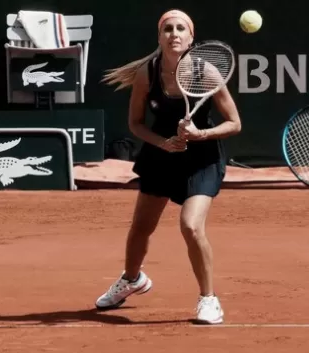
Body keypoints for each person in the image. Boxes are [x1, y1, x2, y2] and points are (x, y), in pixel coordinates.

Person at [96, 9, 242, 324]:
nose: (174, 34)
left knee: (190, 225)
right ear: (160, 37)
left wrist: (200, 134)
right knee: (141, 228)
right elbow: (135, 124)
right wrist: (161, 142)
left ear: (191, 38)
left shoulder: (208, 73)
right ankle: (132, 279)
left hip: (201, 159)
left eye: (180, 29)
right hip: (161, 157)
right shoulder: (147, 74)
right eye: (167, 29)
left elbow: (234, 123)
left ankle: (209, 299)